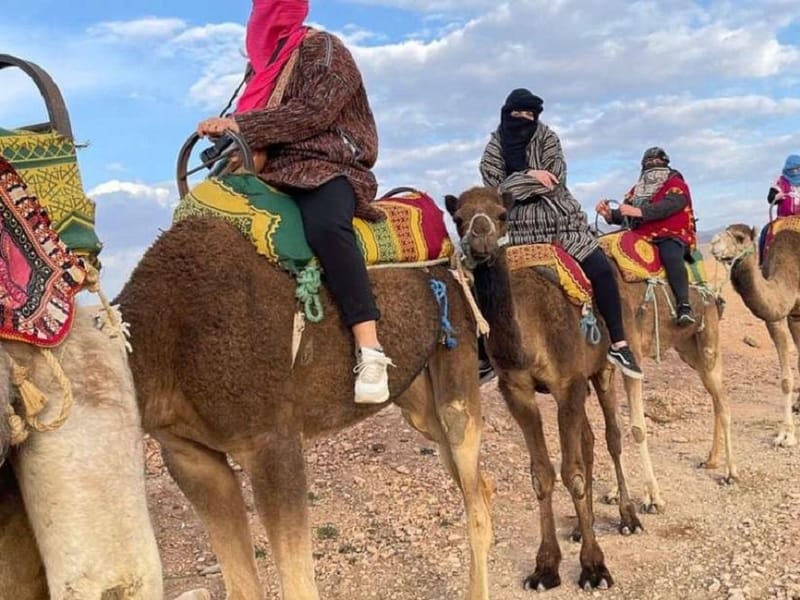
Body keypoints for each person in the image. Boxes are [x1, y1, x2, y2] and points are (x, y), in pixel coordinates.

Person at [196, 0, 393, 404]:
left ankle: (369, 348)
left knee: (325, 226)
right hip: (269, 169)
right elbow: (252, 123)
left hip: (327, 163)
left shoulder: (324, 49)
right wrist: (224, 133)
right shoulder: (259, 70)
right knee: (205, 222)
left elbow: (314, 112)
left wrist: (240, 125)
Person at [479, 88, 643, 379]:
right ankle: (486, 353)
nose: (525, 120)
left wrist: (516, 183)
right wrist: (529, 176)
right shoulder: (494, 148)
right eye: (518, 114)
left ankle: (618, 342)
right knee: (483, 276)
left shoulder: (547, 138)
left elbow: (552, 181)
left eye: (530, 115)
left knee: (602, 270)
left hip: (562, 225)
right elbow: (494, 189)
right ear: (507, 114)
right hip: (516, 230)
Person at [596, 147, 698, 326]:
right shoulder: (637, 189)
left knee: (671, 255)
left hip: (670, 233)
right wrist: (609, 214)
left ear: (665, 162)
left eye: (655, 161)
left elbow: (671, 205)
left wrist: (638, 211)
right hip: (640, 233)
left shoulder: (675, 184)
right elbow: (627, 213)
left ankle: (684, 305)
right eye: (648, 162)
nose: (652, 165)